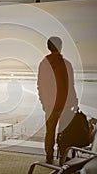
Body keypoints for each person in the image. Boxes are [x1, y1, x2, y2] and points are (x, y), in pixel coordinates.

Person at [37, 36, 78, 164]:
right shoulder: (66, 64)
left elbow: (40, 85)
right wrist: (74, 101)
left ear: (48, 47)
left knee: (50, 132)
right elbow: (70, 86)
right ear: (60, 47)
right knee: (63, 132)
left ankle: (49, 156)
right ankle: (62, 157)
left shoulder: (43, 64)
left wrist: (43, 102)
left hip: (49, 104)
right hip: (64, 104)